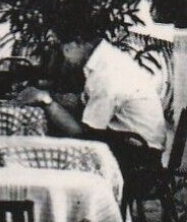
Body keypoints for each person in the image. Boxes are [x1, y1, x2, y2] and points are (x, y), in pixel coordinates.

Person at [14, 25, 167, 197]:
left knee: (52, 156)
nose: (65, 57)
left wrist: (47, 101)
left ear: (80, 43)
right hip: (135, 148)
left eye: (66, 49)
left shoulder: (107, 73)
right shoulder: (109, 59)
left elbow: (83, 134)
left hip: (139, 163)